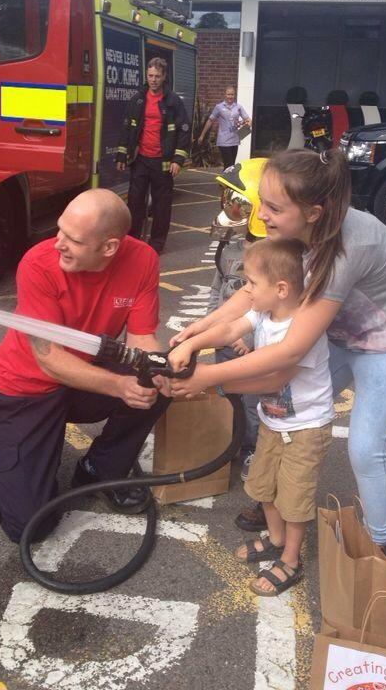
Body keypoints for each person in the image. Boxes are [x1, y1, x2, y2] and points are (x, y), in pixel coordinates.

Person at [169, 148, 386, 580]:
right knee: (285, 407)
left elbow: (290, 352)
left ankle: (382, 544)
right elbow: (253, 292)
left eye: (274, 208)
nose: (262, 214)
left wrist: (208, 376)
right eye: (262, 201)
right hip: (342, 331)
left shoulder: (351, 247)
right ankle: (275, 508)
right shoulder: (299, 228)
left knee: (365, 447)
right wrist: (198, 329)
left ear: (314, 213)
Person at [0, 188, 171, 543]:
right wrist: (119, 386)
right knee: (29, 527)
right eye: (60, 230)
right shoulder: (37, 264)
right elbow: (49, 359)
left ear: (109, 247)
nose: (58, 243)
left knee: (157, 384)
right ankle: (24, 448)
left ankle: (100, 468)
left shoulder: (143, 259)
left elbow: (142, 337)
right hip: (27, 389)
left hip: (81, 375)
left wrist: (155, 372)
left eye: (74, 239)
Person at [171, 238, 334, 597]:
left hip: (305, 429)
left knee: (294, 500)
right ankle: (275, 539)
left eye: (251, 283)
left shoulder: (302, 330)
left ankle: (290, 560)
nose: (245, 291)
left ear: (281, 289)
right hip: (273, 422)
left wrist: (215, 384)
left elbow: (273, 379)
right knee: (264, 487)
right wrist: (192, 342)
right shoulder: (264, 312)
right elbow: (230, 329)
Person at [208, 159, 268, 482]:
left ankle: (250, 449)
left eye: (236, 202)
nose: (228, 206)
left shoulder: (273, 259)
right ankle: (227, 444)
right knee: (225, 395)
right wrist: (210, 325)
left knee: (252, 403)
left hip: (253, 348)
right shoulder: (229, 247)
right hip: (225, 341)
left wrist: (248, 340)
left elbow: (273, 312)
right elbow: (216, 289)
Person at [116, 57, 191, 254]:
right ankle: (133, 241)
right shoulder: (138, 99)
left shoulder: (173, 101)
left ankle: (156, 245)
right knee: (134, 203)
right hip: (140, 160)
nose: (153, 80)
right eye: (150, 75)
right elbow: (127, 127)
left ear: (164, 76)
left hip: (163, 163)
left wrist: (178, 159)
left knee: (161, 206)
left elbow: (184, 130)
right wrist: (122, 155)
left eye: (157, 76)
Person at [198, 86, 252, 169]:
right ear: (225, 95)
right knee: (228, 164)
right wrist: (202, 135)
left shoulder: (238, 107)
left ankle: (225, 177)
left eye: (232, 94)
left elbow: (248, 119)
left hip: (234, 140)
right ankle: (225, 177)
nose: (230, 96)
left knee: (231, 165)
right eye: (228, 94)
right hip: (223, 140)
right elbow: (210, 121)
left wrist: (246, 124)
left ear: (234, 95)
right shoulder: (219, 107)